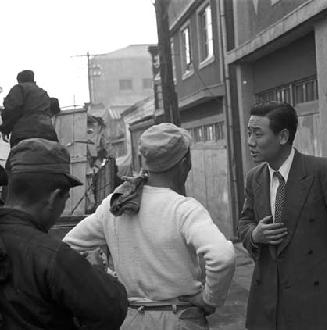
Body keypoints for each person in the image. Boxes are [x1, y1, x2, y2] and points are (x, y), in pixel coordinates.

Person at [63, 123, 236, 330]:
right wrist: (209, 300)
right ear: (185, 162)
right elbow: (222, 256)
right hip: (178, 318)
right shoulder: (184, 208)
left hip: (130, 319)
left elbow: (67, 247)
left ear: (144, 161)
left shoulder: (115, 204)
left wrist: (109, 276)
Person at [239, 102, 327, 330]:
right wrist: (255, 235)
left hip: (317, 297)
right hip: (270, 300)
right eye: (249, 133)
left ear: (283, 136)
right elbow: (244, 222)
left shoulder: (325, 172)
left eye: (257, 134)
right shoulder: (254, 178)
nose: (250, 142)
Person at [0, 138, 128, 329]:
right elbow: (111, 310)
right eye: (65, 199)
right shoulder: (53, 257)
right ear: (53, 198)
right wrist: (95, 274)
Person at [1, 70, 58, 147]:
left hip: (25, 135)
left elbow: (12, 109)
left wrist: (5, 129)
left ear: (19, 80)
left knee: (22, 157)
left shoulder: (19, 88)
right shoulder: (43, 93)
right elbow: (54, 105)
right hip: (48, 135)